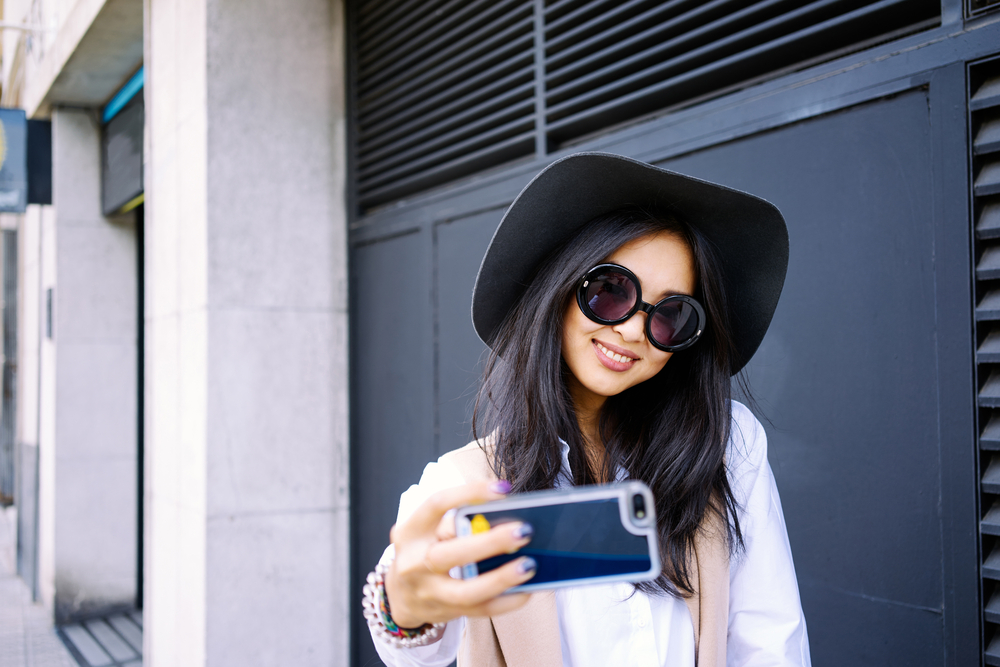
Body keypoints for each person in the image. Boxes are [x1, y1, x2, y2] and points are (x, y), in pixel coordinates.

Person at [362, 152, 811, 666]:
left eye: (670, 315)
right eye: (611, 291)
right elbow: (411, 644)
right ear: (559, 289)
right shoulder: (465, 484)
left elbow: (770, 641)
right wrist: (404, 605)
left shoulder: (728, 444)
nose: (632, 330)